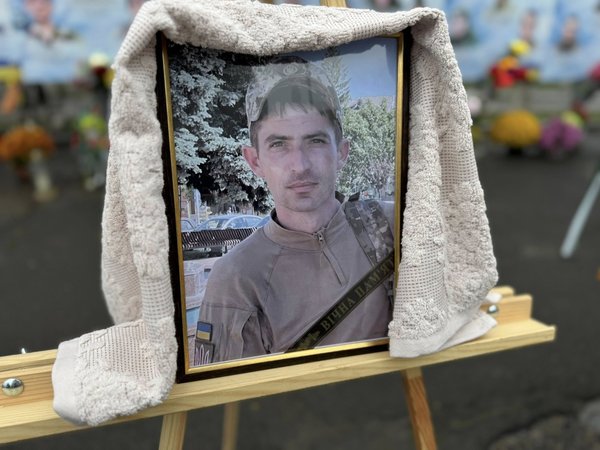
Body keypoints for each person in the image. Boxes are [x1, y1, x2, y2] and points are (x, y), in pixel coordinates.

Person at [195, 56, 395, 365]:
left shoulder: (394, 226)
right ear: (255, 161)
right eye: (278, 144)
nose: (299, 165)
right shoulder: (236, 278)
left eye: (315, 141)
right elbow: (228, 392)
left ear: (342, 152)